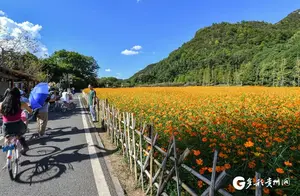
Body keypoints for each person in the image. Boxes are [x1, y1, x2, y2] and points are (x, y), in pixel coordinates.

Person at [0, 87, 32, 154]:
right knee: (21, 131)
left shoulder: (1, 104)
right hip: (19, 126)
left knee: (7, 137)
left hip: (6, 127)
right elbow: (30, 111)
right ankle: (24, 145)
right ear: (18, 95)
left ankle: (7, 152)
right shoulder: (21, 104)